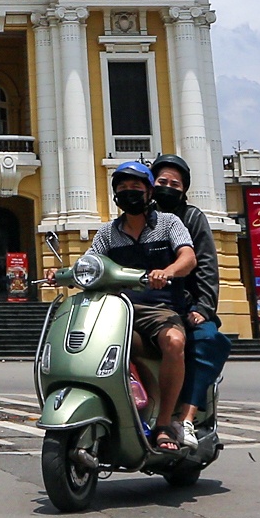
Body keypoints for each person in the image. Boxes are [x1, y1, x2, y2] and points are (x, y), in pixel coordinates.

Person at [49, 160, 196, 454]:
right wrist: (62, 273)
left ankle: (165, 423)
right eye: (123, 187)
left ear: (149, 191)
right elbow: (91, 263)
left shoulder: (169, 224)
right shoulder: (107, 233)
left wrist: (167, 271)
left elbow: (188, 258)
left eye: (135, 187)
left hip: (159, 309)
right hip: (117, 308)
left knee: (174, 341)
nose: (129, 192)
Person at [150, 153, 232, 453]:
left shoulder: (192, 217)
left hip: (186, 305)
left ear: (184, 189)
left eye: (175, 184)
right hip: (149, 304)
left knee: (208, 341)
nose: (168, 187)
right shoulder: (140, 217)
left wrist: (203, 308)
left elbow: (206, 265)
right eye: (162, 181)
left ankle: (185, 417)